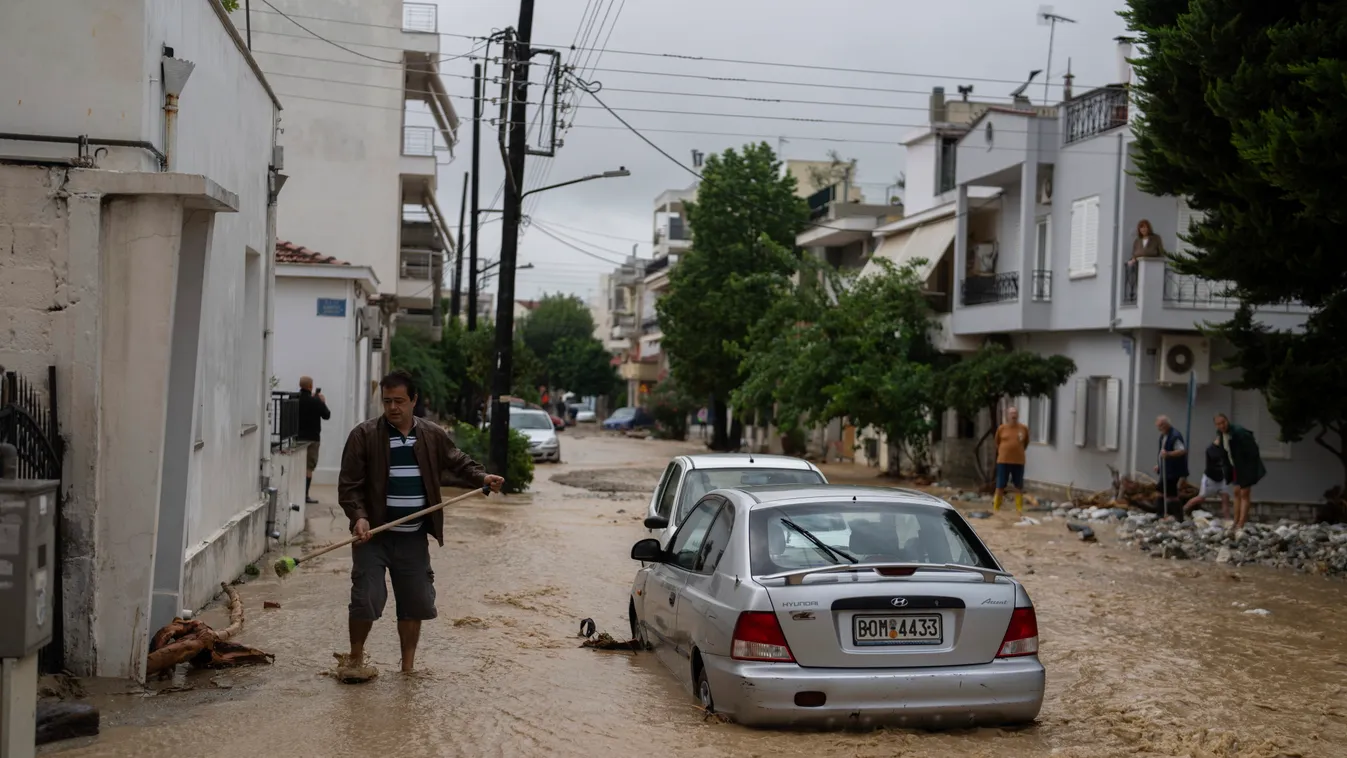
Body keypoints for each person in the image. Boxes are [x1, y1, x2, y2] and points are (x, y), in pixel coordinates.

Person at [337, 370, 504, 681]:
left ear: (414, 400)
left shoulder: (431, 435)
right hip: (372, 536)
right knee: (366, 599)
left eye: (399, 401)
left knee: (415, 603)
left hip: (413, 538)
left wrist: (483, 478)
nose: (393, 408)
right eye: (387, 401)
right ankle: (355, 659)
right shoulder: (364, 435)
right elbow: (349, 485)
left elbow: (457, 461)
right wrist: (358, 516)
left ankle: (407, 671)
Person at [1215, 412, 1266, 531]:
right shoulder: (1221, 435)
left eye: (1223, 422)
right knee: (1236, 492)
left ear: (1227, 421)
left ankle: (1241, 522)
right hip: (1234, 467)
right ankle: (1236, 521)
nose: (1222, 426)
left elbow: (1253, 449)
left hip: (1245, 466)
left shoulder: (1239, 432)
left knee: (1244, 493)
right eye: (1218, 424)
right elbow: (1225, 452)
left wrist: (1248, 465)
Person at [296, 376, 331, 505]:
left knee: (297, 466)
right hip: (312, 438)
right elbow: (327, 415)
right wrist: (322, 401)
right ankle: (305, 495)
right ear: (311, 386)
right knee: (308, 468)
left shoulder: (295, 399)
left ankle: (296, 493)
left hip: (297, 437)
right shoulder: (315, 401)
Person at [1183, 439, 1233, 521]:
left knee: (1225, 498)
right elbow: (1217, 459)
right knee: (1201, 497)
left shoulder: (1226, 448)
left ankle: (1227, 519)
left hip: (1221, 478)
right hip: (1210, 478)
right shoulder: (1211, 449)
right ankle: (1184, 509)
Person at [993, 406, 1030, 513]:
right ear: (1007, 415)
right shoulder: (1001, 428)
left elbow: (1026, 443)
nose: (1013, 415)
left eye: (1015, 413)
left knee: (1018, 485)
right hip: (1003, 461)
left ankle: (1019, 509)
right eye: (1011, 413)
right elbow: (997, 442)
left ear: (1018, 415)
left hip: (1018, 461)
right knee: (1000, 485)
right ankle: (996, 509)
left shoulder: (1023, 429)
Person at [1154, 415, 1189, 520]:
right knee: (1161, 490)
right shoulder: (1163, 436)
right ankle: (1160, 513)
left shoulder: (1175, 435)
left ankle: (1178, 516)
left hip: (1173, 471)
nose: (1160, 428)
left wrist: (1169, 454)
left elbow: (1182, 450)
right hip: (1166, 470)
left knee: (1171, 493)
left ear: (1166, 424)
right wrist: (1159, 466)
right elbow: (1162, 453)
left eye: (1161, 426)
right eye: (1158, 426)